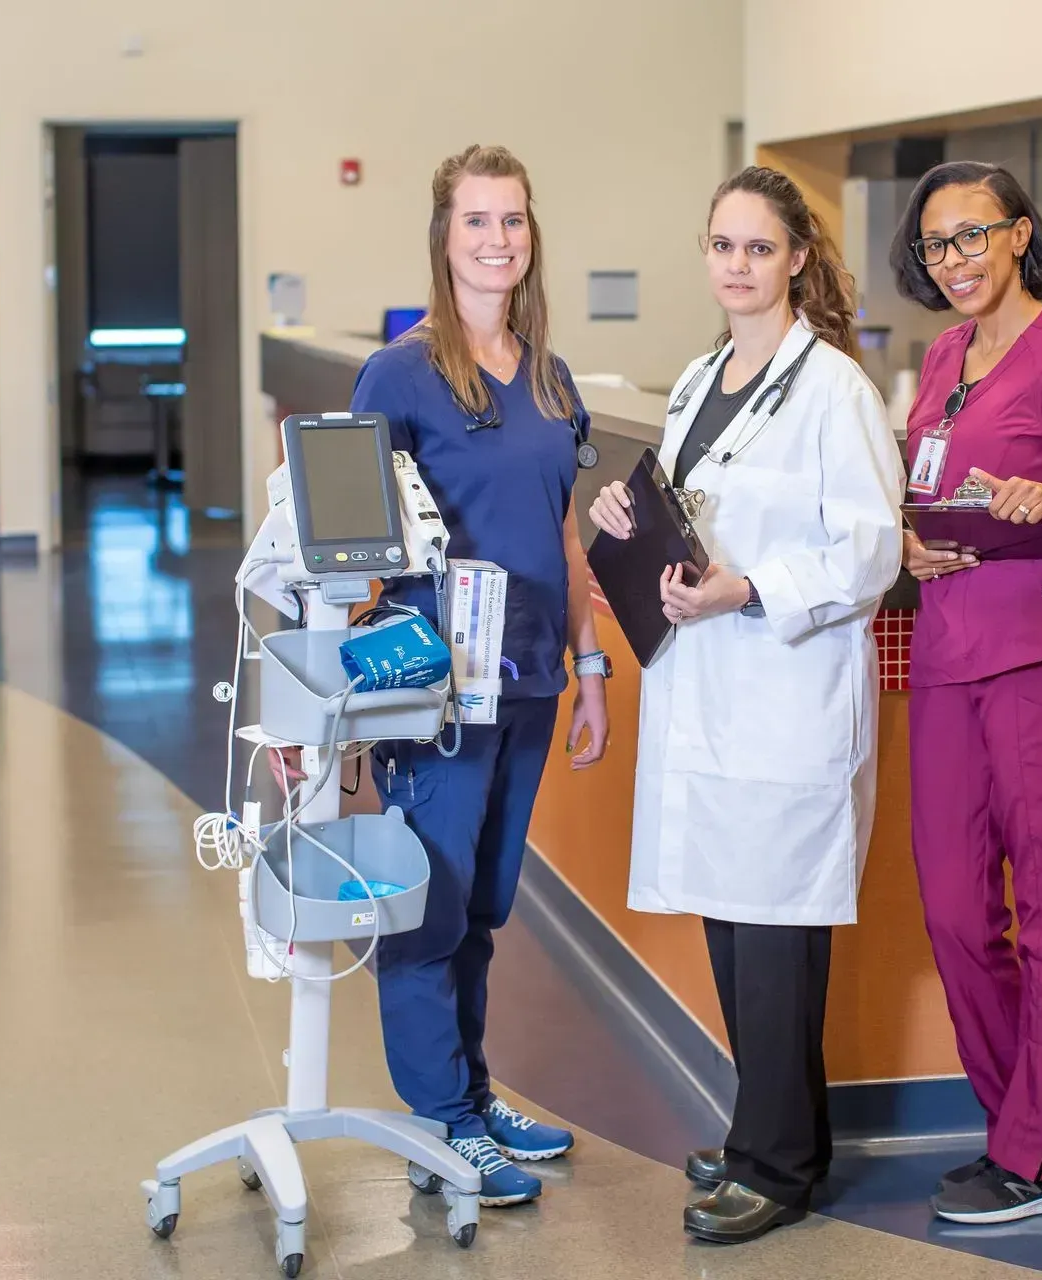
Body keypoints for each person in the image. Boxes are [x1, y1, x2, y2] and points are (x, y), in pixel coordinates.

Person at [589, 166, 902, 1245]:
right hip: (711, 688)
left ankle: (781, 1164)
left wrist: (750, 588)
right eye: (721, 246)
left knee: (775, 944)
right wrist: (625, 507)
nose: (736, 265)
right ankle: (765, 1127)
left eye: (758, 248)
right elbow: (689, 498)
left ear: (798, 259)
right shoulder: (697, 377)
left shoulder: (836, 392)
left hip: (783, 693)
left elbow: (868, 548)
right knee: (734, 929)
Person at [346, 143, 611, 1208]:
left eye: (512, 220)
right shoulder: (399, 375)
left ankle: (472, 1089)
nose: (497, 239)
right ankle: (444, 1121)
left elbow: (564, 530)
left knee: (488, 902)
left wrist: (589, 663)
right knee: (428, 904)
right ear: (443, 236)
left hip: (533, 675)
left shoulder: (549, 374)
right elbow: (349, 547)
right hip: (439, 684)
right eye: (476, 221)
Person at [887, 160, 1042, 1225]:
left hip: (1041, 658)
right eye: (938, 244)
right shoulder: (942, 355)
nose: (957, 260)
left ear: (1021, 232)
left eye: (975, 235)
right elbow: (923, 484)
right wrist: (902, 538)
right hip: (947, 652)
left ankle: (1040, 1151)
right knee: (951, 906)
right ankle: (1016, 1129)